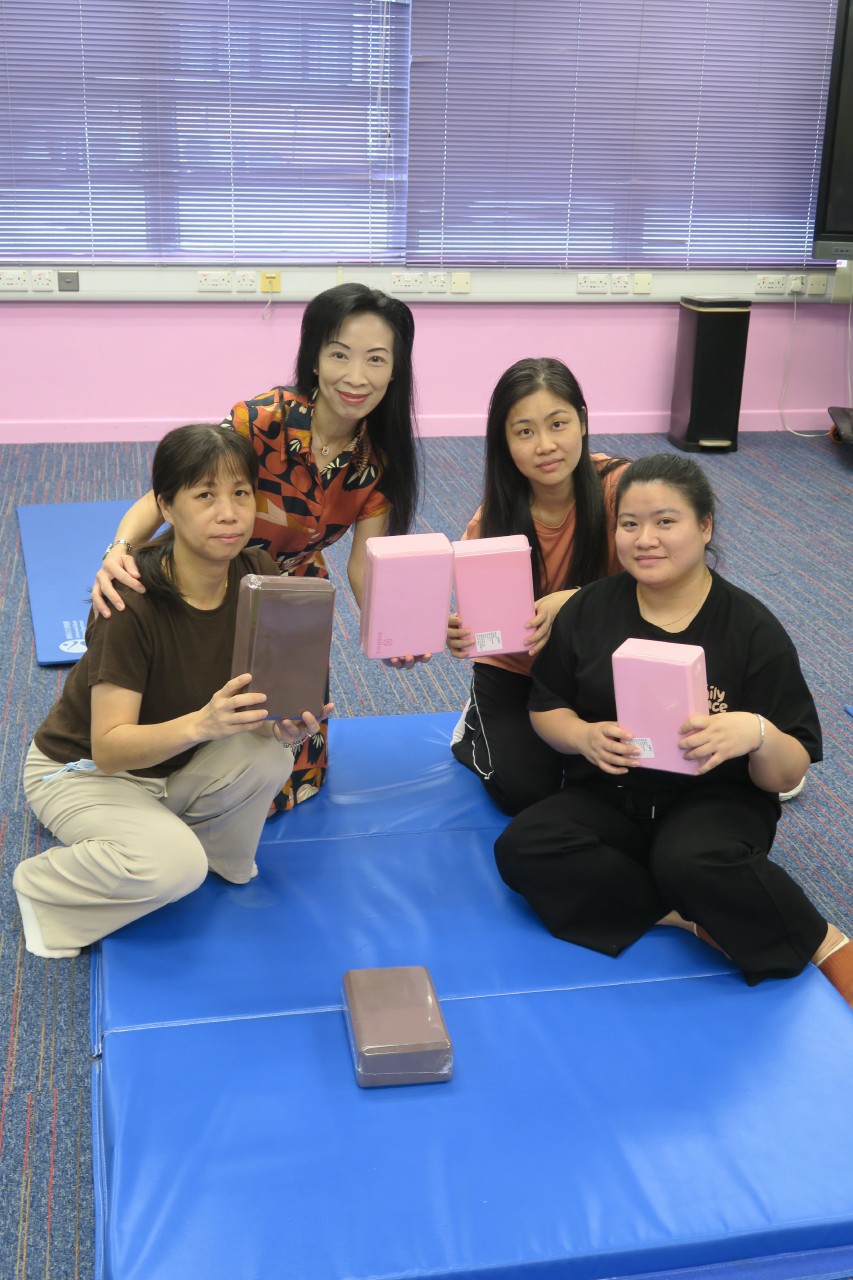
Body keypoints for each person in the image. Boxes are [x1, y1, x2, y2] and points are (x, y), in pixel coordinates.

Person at [494, 452, 853, 1008]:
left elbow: (788, 772)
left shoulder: (752, 630)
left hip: (714, 801)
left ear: (705, 526)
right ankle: (686, 915)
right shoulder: (588, 610)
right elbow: (547, 708)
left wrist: (755, 733)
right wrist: (582, 737)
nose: (645, 540)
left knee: (691, 861)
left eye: (666, 521)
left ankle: (822, 940)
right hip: (610, 794)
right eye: (629, 524)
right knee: (524, 847)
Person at [91, 283, 422, 812]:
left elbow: (363, 565)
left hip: (291, 594)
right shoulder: (262, 420)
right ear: (314, 358)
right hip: (208, 575)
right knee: (178, 732)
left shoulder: (377, 460)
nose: (356, 377)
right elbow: (169, 494)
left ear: (395, 369)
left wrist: (392, 634)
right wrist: (120, 548)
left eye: (376, 360)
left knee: (292, 764)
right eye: (340, 354)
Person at [14, 424, 329, 959]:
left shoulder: (256, 572)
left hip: (173, 762)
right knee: (174, 869)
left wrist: (281, 724)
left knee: (270, 752)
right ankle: (43, 887)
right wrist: (204, 723)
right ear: (166, 506)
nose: (228, 513)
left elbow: (256, 710)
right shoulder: (129, 600)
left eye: (241, 493)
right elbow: (109, 749)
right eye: (205, 495)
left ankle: (205, 849)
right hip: (82, 770)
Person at [448, 358, 627, 815]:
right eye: (524, 431)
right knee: (526, 793)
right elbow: (484, 630)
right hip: (520, 669)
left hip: (600, 660)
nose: (545, 446)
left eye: (558, 424)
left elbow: (667, 579)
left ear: (582, 422)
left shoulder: (621, 489)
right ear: (504, 442)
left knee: (629, 773)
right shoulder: (489, 526)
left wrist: (576, 600)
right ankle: (475, 725)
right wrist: (457, 632)